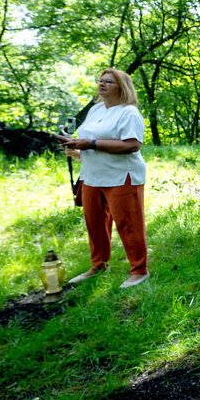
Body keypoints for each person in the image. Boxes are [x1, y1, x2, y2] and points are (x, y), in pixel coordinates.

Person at [60, 68, 150, 289]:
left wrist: (89, 144)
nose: (102, 84)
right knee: (95, 224)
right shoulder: (96, 109)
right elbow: (89, 140)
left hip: (122, 177)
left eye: (109, 81)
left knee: (129, 225)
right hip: (91, 176)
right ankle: (98, 265)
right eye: (101, 81)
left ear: (122, 87)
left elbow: (132, 145)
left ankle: (139, 271)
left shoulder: (129, 113)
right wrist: (77, 151)